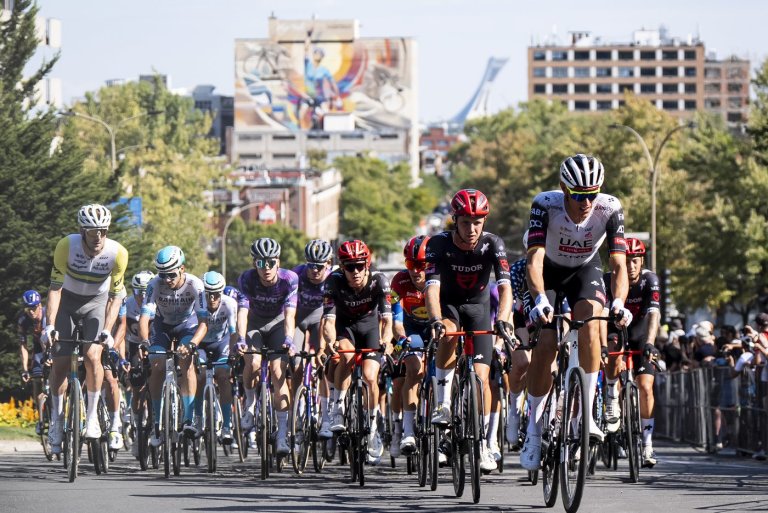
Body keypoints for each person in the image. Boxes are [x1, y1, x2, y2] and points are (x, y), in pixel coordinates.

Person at [522, 154, 631, 471]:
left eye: (592, 194)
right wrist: (539, 299)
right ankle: (534, 431)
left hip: (585, 270)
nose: (586, 202)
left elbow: (619, 264)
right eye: (578, 195)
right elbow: (534, 260)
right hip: (549, 272)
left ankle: (585, 414)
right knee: (545, 345)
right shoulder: (545, 204)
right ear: (563, 188)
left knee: (591, 324)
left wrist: (619, 302)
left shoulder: (609, 207)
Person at [424, 188, 514, 473]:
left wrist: (503, 319)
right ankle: (443, 403)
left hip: (478, 309)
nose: (472, 229)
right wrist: (435, 319)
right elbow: (431, 288)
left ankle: (483, 444)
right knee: (448, 334)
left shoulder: (493, 244)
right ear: (455, 220)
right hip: (449, 306)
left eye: (477, 222)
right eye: (465, 222)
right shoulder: (438, 244)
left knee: (482, 379)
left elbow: (505, 288)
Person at [41, 204, 128, 455]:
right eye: (92, 231)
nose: (98, 236)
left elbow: (115, 297)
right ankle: (57, 421)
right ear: (82, 231)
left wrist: (108, 330)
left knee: (92, 355)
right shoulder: (66, 246)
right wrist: (49, 325)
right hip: (67, 301)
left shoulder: (117, 253)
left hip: (96, 303)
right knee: (60, 362)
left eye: (103, 230)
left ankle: (91, 418)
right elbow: (55, 289)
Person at [322, 239, 393, 464]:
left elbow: (387, 321)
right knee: (346, 355)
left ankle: (372, 429)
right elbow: (328, 322)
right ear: (342, 267)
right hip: (345, 327)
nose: (355, 272)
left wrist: (386, 340)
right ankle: (338, 409)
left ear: (367, 265)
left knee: (370, 377)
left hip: (369, 327)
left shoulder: (379, 281)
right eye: (349, 267)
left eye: (359, 266)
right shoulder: (333, 282)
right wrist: (330, 341)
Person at [139, 246, 208, 446]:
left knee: (186, 361)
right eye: (162, 275)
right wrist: (144, 341)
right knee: (157, 363)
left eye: (171, 274)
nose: (167, 279)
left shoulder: (196, 285)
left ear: (182, 269)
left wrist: (193, 344)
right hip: (162, 326)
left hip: (187, 326)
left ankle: (188, 419)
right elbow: (144, 318)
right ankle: (156, 420)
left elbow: (204, 323)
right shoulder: (154, 284)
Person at [601, 237, 661, 467]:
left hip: (639, 333)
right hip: (615, 330)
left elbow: (654, 314)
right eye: (626, 260)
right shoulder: (608, 279)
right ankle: (611, 396)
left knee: (645, 386)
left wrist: (650, 343)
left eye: (635, 260)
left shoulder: (650, 280)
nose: (630, 266)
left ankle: (647, 445)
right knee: (613, 351)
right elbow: (601, 317)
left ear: (642, 261)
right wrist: (603, 345)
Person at [237, 238, 298, 455]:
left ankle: (282, 435)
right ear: (254, 263)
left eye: (271, 262)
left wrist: (289, 339)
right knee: (253, 361)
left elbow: (290, 315)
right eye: (261, 263)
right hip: (254, 324)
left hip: (278, 324)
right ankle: (250, 403)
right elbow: (242, 313)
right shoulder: (246, 279)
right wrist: (241, 339)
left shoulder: (289, 279)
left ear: (278, 262)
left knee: (278, 371)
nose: (266, 268)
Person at [388, 236, 430, 457]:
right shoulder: (399, 281)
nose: (415, 270)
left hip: (435, 328)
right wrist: (401, 338)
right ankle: (407, 431)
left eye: (421, 264)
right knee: (413, 370)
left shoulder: (440, 278)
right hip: (410, 329)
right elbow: (396, 322)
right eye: (410, 264)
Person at [292, 240, 334, 438]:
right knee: (296, 364)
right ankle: (297, 410)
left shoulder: (332, 279)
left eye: (319, 266)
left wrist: (322, 347)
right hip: (298, 319)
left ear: (328, 263)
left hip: (321, 319)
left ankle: (326, 418)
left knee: (324, 363)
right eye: (311, 265)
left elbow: (330, 316)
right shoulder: (297, 275)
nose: (315, 270)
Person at [195, 272, 240, 442]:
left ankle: (227, 426)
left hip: (221, 343)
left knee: (223, 375)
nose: (212, 298)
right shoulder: (197, 302)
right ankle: (198, 419)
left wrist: (233, 353)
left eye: (216, 294)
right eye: (208, 294)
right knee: (199, 376)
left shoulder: (229, 303)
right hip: (201, 344)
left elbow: (233, 332)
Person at [120, 270, 154, 458]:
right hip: (134, 345)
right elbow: (120, 331)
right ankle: (137, 425)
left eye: (144, 292)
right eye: (137, 292)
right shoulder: (128, 304)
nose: (141, 296)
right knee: (137, 388)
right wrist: (123, 357)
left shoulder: (158, 301)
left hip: (155, 345)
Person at [18, 290, 47, 435]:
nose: (31, 311)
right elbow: (23, 345)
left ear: (40, 305)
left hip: (53, 345)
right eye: (28, 308)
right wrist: (25, 369)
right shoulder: (23, 320)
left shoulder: (48, 314)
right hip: (38, 348)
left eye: (34, 307)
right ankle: (41, 417)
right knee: (37, 379)